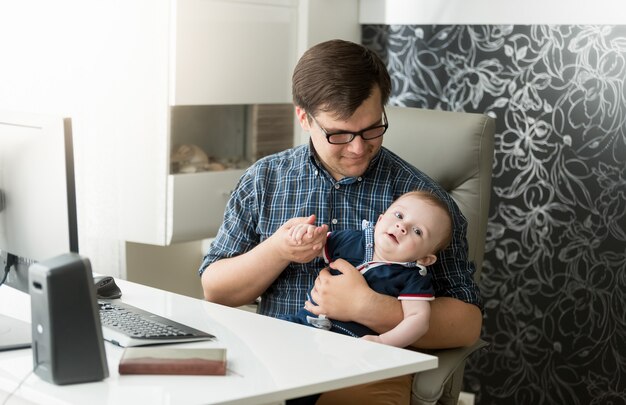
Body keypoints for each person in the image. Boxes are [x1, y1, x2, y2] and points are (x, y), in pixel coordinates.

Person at [199, 39, 482, 404]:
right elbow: (215, 290)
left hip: (366, 367)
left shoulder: (423, 206)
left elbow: (467, 323)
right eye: (339, 134)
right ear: (304, 118)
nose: (358, 148)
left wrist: (368, 307)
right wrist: (277, 250)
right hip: (273, 358)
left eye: (371, 129)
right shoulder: (264, 181)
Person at [282, 190, 453, 348]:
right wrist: (306, 234)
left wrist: (383, 341)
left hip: (349, 345)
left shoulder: (412, 277)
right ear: (380, 220)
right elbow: (314, 245)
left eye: (417, 231)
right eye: (399, 215)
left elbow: (418, 321)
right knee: (271, 341)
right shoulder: (353, 240)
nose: (402, 227)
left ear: (425, 259)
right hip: (303, 324)